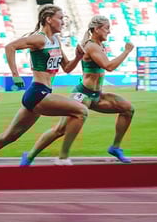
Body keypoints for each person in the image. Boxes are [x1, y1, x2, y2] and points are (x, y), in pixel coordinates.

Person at [0, 4, 86, 167]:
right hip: (39, 93)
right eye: (60, 18)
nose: (63, 22)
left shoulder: (56, 40)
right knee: (81, 111)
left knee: (9, 136)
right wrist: (15, 74)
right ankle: (63, 157)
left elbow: (67, 68)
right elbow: (10, 47)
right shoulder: (39, 39)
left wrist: (78, 57)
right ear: (48, 19)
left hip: (40, 94)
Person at [21, 15, 136, 166]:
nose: (109, 31)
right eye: (107, 28)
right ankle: (31, 156)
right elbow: (109, 66)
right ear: (96, 29)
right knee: (60, 130)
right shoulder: (91, 46)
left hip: (97, 95)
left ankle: (115, 147)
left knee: (128, 109)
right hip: (83, 95)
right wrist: (126, 51)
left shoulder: (99, 45)